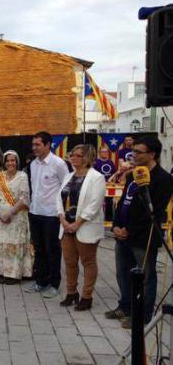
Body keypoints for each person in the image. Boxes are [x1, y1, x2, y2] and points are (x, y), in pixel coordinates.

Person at [106, 136, 173, 329]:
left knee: (146, 276)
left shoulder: (163, 179)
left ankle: (143, 315)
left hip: (143, 236)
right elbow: (123, 204)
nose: (133, 154)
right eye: (133, 151)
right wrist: (116, 226)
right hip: (122, 234)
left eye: (138, 152)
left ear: (152, 154)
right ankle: (125, 306)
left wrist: (129, 230)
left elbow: (154, 212)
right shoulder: (132, 175)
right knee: (123, 272)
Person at [57, 145, 105, 311]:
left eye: (77, 155)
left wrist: (77, 224)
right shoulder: (68, 176)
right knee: (70, 262)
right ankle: (71, 293)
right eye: (72, 155)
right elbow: (59, 198)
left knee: (88, 262)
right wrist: (63, 219)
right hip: (66, 226)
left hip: (85, 226)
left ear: (86, 158)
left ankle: (86, 296)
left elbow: (94, 205)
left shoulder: (96, 177)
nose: (73, 158)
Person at [25, 131, 69, 298]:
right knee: (39, 249)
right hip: (35, 212)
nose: (34, 148)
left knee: (53, 250)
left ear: (48, 144)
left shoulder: (59, 164)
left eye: (37, 144)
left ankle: (54, 284)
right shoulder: (33, 164)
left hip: (51, 214)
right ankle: (40, 281)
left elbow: (66, 188)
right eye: (33, 144)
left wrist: (60, 212)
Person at [0, 150, 33, 284]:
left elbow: (24, 198)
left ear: (17, 162)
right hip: (0, 214)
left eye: (13, 160)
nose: (10, 163)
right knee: (1, 243)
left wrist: (10, 213)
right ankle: (3, 271)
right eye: (8, 160)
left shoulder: (22, 176)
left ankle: (14, 274)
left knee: (14, 244)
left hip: (17, 215)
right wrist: (0, 212)